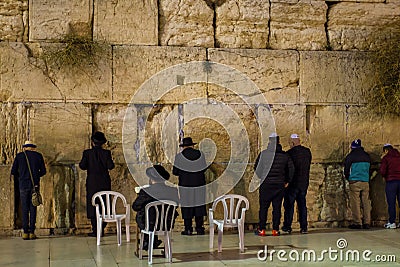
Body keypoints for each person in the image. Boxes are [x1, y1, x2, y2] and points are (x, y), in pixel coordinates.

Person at [254, 133, 294, 236]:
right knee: (277, 208)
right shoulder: (284, 156)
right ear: (279, 142)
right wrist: (287, 181)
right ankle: (275, 229)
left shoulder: (263, 154)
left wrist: (261, 177)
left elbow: (257, 168)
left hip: (266, 184)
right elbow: (291, 169)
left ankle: (261, 229)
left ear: (269, 141)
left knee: (263, 207)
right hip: (279, 185)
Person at [132, 165, 179, 250]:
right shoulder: (173, 191)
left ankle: (148, 241)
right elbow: (176, 204)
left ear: (151, 179)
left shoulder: (146, 191)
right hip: (166, 224)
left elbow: (135, 206)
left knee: (144, 214)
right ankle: (151, 242)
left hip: (148, 225)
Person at [79, 131, 115, 237]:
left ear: (92, 142)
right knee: (104, 203)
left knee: (93, 205)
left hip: (92, 182)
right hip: (104, 182)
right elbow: (110, 166)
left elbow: (82, 166)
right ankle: (102, 227)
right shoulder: (106, 153)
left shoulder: (87, 153)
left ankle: (96, 229)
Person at [11, 140, 46, 240]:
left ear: (25, 147)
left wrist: (21, 176)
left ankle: (25, 232)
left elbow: (13, 171)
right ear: (33, 147)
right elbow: (43, 171)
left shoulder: (19, 156)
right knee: (33, 208)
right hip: (34, 185)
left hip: (23, 185)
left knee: (24, 208)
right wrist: (36, 177)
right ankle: (32, 232)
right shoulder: (38, 156)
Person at [173, 137, 208, 235]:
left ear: (183, 147)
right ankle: (199, 228)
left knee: (187, 206)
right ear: (192, 145)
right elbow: (204, 168)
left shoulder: (179, 157)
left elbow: (175, 172)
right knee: (199, 205)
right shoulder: (200, 154)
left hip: (185, 186)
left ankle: (188, 228)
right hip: (199, 185)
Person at [282, 134, 312, 234]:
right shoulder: (307, 152)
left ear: (292, 142)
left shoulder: (289, 154)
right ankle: (304, 227)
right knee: (302, 205)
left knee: (289, 206)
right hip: (303, 183)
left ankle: (287, 226)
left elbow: (288, 169)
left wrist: (286, 181)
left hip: (292, 184)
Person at [344, 138, 371, 229]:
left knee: (355, 203)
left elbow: (346, 169)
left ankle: (357, 222)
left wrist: (348, 178)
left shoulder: (350, 156)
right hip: (365, 181)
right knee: (366, 202)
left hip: (354, 181)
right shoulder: (367, 156)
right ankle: (367, 222)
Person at [380, 144, 400, 229]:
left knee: (391, 203)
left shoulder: (386, 158)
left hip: (391, 182)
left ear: (386, 150)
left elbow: (382, 171)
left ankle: (392, 222)